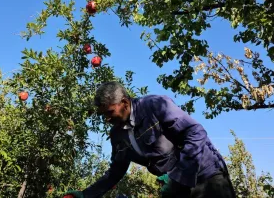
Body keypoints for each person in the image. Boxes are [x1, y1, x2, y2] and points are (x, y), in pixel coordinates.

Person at [63, 81, 236, 198]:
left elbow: (195, 132)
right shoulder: (117, 135)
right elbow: (115, 172)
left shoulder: (154, 105)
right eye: (103, 115)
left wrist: (179, 176)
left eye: (109, 112)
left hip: (206, 175)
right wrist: (87, 194)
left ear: (124, 102)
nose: (107, 119)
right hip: (177, 186)